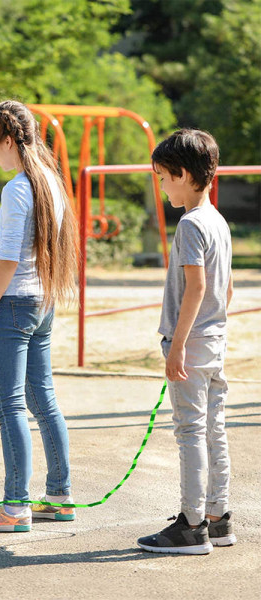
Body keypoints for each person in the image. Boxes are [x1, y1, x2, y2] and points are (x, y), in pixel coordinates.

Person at [0, 100, 78, 533]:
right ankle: (60, 497)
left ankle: (14, 506)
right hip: (42, 302)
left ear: (9, 140)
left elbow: (7, 258)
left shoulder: (17, 189)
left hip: (13, 304)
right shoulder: (49, 179)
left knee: (9, 405)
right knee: (43, 399)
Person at [137, 129, 236, 555]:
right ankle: (218, 517)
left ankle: (191, 525)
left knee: (190, 432)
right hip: (215, 339)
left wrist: (176, 345)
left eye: (162, 177)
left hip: (192, 343)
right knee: (213, 428)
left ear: (182, 174)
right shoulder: (218, 220)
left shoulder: (191, 225)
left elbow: (195, 287)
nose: (161, 185)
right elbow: (224, 290)